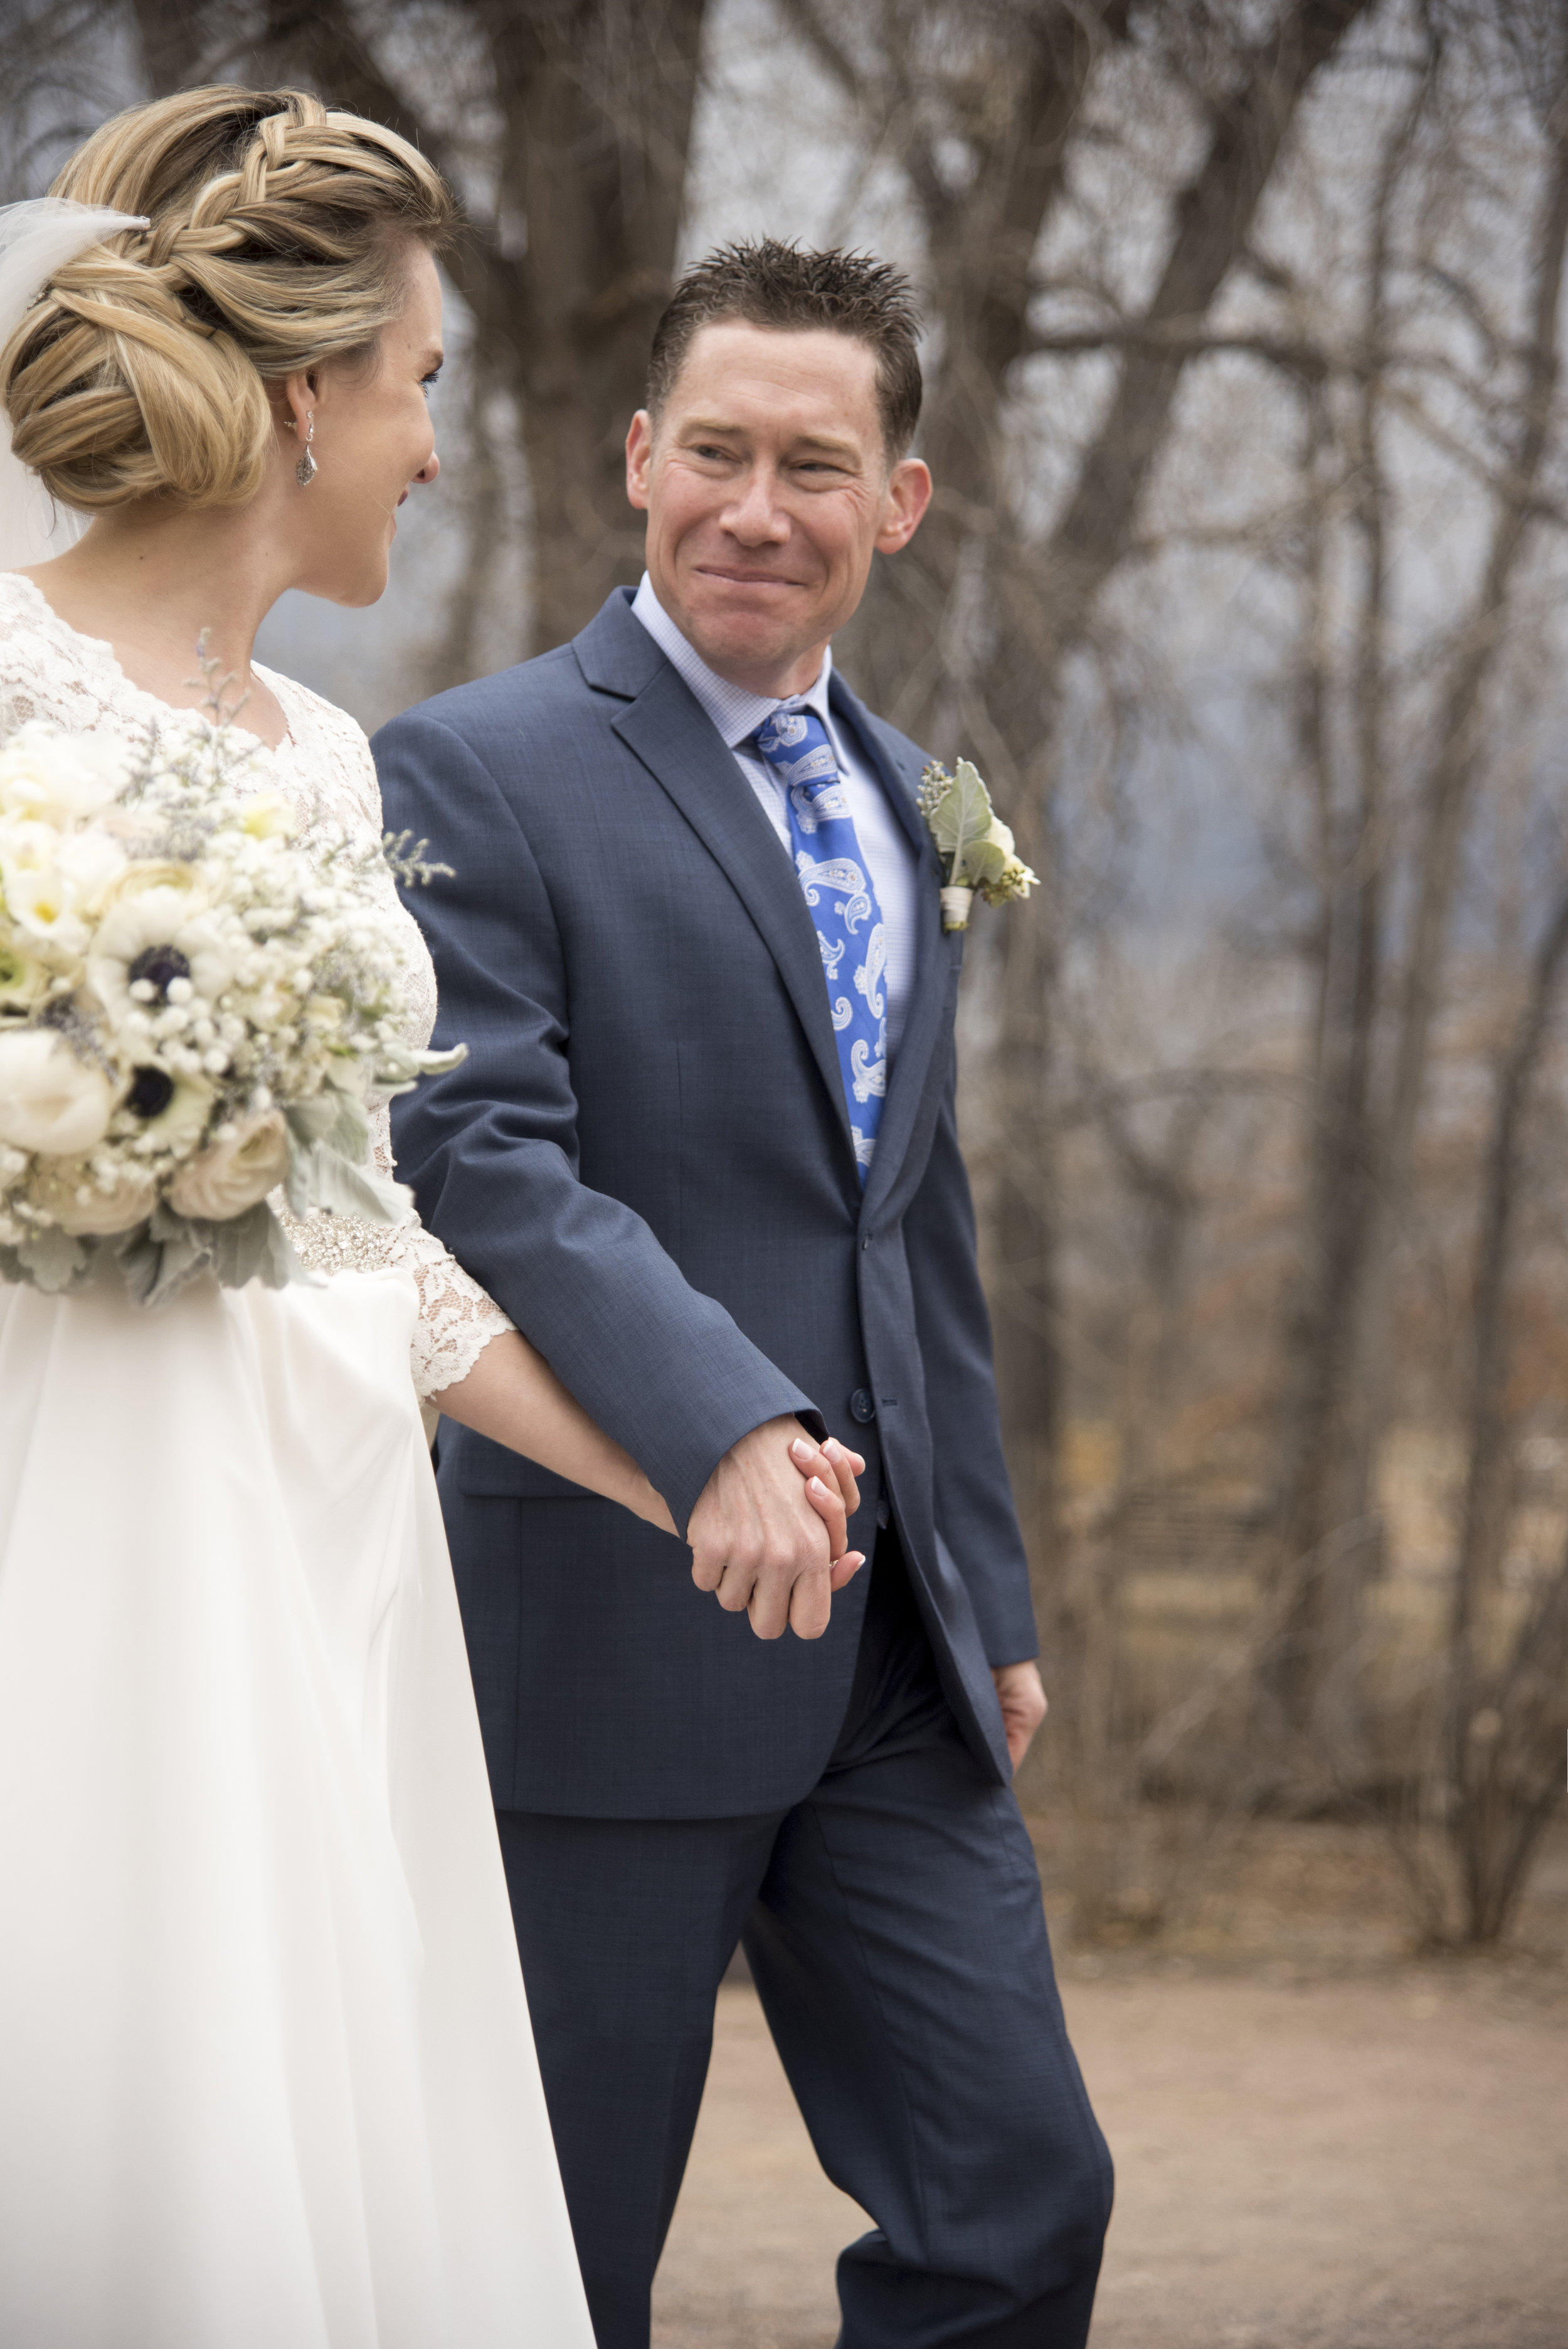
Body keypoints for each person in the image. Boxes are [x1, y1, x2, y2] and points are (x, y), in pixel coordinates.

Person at [0, 92, 861, 2347]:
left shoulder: (328, 754)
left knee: (321, 2114)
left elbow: (369, 1242)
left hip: (324, 1563)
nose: (442, 447)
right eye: (423, 385)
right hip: (76, 1538)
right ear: (305, 400)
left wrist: (672, 1468)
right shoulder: (1, 706)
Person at [380, 238, 1115, 2349]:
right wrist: (726, 1423)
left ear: (900, 500)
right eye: (714, 450)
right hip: (607, 1627)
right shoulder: (475, 767)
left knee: (1014, 2194)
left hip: (895, 1652)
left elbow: (912, 1223)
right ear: (637, 459)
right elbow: (481, 1157)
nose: (754, 507)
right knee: (552, 2251)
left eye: (814, 463)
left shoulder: (912, 800)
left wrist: (986, 1582)